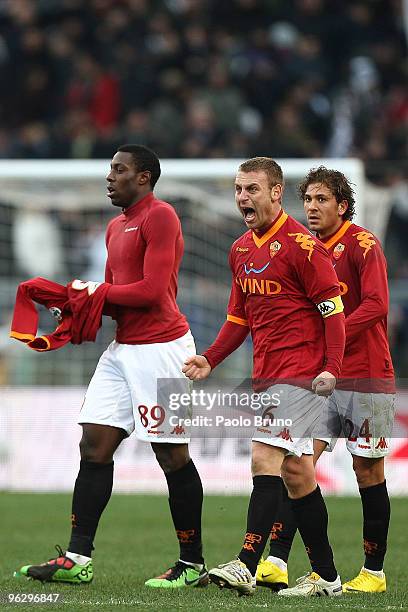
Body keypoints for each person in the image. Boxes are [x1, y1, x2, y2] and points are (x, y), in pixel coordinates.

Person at [15, 144, 208, 589]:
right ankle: (78, 557)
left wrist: (93, 293)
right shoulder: (114, 225)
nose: (110, 177)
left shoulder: (161, 216)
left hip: (165, 350)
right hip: (123, 351)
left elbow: (152, 291)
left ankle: (191, 562)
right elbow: (115, 298)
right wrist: (74, 308)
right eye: (110, 169)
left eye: (119, 170)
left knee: (171, 455)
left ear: (143, 178)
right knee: (94, 447)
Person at [183, 157, 346, 597]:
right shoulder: (239, 250)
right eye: (238, 189)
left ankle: (246, 563)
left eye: (252, 189)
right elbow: (239, 318)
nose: (242, 197)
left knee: (263, 459)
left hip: (301, 375)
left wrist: (332, 366)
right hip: (267, 374)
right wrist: (211, 359)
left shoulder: (304, 247)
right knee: (297, 474)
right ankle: (328, 578)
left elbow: (334, 312)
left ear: (276, 192)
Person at [257, 166, 395, 594]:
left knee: (366, 470)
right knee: (296, 462)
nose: (312, 208)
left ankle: (373, 572)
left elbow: (377, 304)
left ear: (343, 205)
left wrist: (332, 332)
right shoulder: (305, 247)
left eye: (321, 200)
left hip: (367, 375)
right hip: (320, 377)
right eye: (308, 200)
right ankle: (277, 561)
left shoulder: (363, 244)